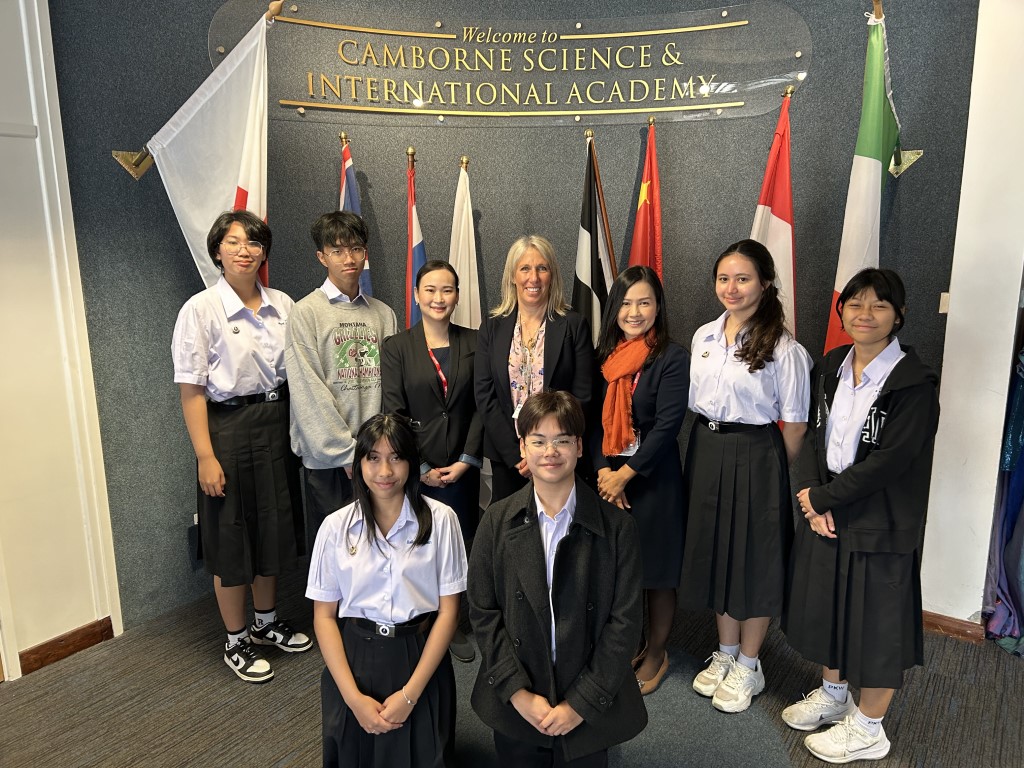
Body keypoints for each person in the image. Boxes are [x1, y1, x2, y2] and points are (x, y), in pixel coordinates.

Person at [781, 269, 939, 764]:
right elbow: (814, 435)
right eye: (855, 304)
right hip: (829, 506)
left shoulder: (913, 383)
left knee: (877, 624)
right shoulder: (831, 364)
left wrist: (823, 499)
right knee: (830, 607)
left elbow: (891, 460)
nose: (864, 314)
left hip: (880, 517)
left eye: (878, 305)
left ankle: (870, 727)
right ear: (842, 311)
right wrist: (812, 495)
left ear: (899, 315)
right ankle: (834, 695)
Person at [469, 391, 646, 768]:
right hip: (519, 698)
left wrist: (580, 703)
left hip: (586, 699)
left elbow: (625, 624)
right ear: (523, 448)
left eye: (562, 440)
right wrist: (517, 693)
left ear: (579, 447)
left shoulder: (618, 529)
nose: (550, 452)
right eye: (538, 441)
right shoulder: (496, 521)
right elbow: (483, 613)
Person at [172, 210, 310, 684]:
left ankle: (266, 623)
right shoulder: (200, 309)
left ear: (263, 251)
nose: (244, 250)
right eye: (232, 242)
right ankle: (236, 640)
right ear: (218, 251)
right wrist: (205, 457)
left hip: (277, 424)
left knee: (273, 527)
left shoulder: (284, 304)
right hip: (227, 430)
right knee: (231, 536)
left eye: (253, 242)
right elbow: (191, 392)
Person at [680, 238, 811, 713]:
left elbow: (795, 425)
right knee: (717, 551)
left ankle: (750, 665)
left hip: (756, 453)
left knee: (753, 559)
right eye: (724, 278)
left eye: (743, 278)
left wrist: (769, 470)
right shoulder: (704, 336)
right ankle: (726, 651)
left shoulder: (783, 347)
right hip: (706, 448)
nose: (731, 288)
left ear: (765, 283)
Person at [307, 414, 468, 768]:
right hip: (354, 656)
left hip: (419, 653)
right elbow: (324, 617)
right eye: (374, 458)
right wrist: (353, 699)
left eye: (396, 457)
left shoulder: (442, 520)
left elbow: (449, 613)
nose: (385, 471)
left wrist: (410, 696)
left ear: (411, 462)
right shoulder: (335, 528)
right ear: (359, 465)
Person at [590, 266, 689, 695]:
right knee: (620, 571)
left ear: (657, 308)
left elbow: (668, 426)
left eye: (644, 302)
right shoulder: (605, 356)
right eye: (627, 303)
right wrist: (603, 473)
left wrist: (625, 477)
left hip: (653, 478)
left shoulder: (671, 357)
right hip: (610, 479)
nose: (634, 312)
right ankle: (627, 645)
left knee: (657, 572)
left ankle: (657, 653)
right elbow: (592, 422)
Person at [381, 259, 482, 663]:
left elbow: (483, 405)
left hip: (461, 466)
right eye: (431, 290)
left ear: (457, 296)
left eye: (447, 290)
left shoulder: (476, 341)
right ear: (417, 295)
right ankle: (423, 617)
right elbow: (394, 411)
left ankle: (451, 619)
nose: (439, 298)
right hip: (415, 467)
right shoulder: (397, 347)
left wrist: (467, 459)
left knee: (456, 545)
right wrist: (421, 467)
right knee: (418, 543)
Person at [286, 211, 398, 537]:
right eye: (337, 251)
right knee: (337, 553)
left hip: (378, 459)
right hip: (331, 464)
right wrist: (348, 454)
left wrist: (377, 452)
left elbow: (392, 390)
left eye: (356, 249)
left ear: (365, 253)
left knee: (380, 548)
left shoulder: (383, 314)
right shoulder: (305, 313)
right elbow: (308, 392)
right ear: (322, 257)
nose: (348, 259)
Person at [475, 235, 594, 503]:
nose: (534, 278)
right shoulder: (492, 326)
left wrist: (546, 448)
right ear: (512, 276)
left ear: (552, 275)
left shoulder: (573, 325)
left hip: (557, 456)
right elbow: (485, 395)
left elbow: (583, 395)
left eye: (542, 268)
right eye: (525, 268)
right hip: (509, 457)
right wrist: (518, 453)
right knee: (510, 522)